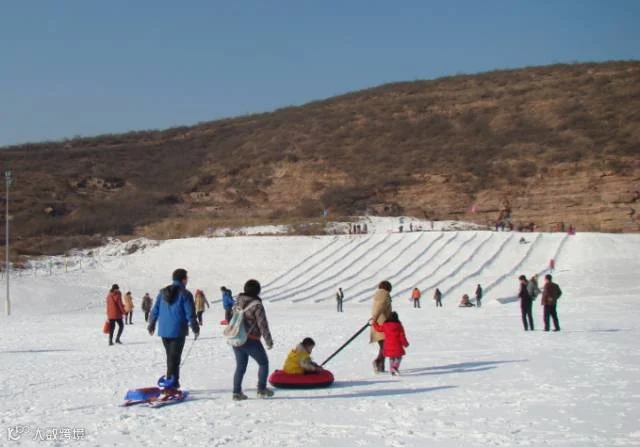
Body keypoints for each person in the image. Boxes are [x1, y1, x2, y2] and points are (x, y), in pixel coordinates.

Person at [147, 268, 200, 390]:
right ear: (183, 279)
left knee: (171, 357)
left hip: (164, 330)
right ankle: (171, 386)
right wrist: (195, 327)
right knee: (174, 358)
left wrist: (152, 324)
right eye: (186, 278)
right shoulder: (185, 294)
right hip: (178, 330)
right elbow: (190, 313)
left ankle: (172, 383)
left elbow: (155, 310)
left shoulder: (162, 293)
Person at [231, 279, 274, 401]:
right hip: (251, 339)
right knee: (263, 363)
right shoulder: (257, 305)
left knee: (240, 366)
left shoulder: (238, 301)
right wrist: (268, 340)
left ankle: (236, 392)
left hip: (237, 338)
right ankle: (261, 389)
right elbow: (262, 324)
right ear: (257, 291)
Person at [371, 311, 409, 376]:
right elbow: (402, 336)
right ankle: (395, 367)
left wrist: (374, 323)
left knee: (391, 358)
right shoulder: (399, 326)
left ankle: (392, 371)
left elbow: (378, 329)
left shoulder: (385, 325)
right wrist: (405, 344)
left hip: (388, 345)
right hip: (397, 345)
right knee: (398, 357)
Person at [370, 280, 393, 373]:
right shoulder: (384, 294)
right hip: (381, 324)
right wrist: (374, 318)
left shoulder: (380, 294)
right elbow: (378, 307)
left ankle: (381, 367)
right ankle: (378, 362)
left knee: (384, 346)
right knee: (385, 346)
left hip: (380, 323)